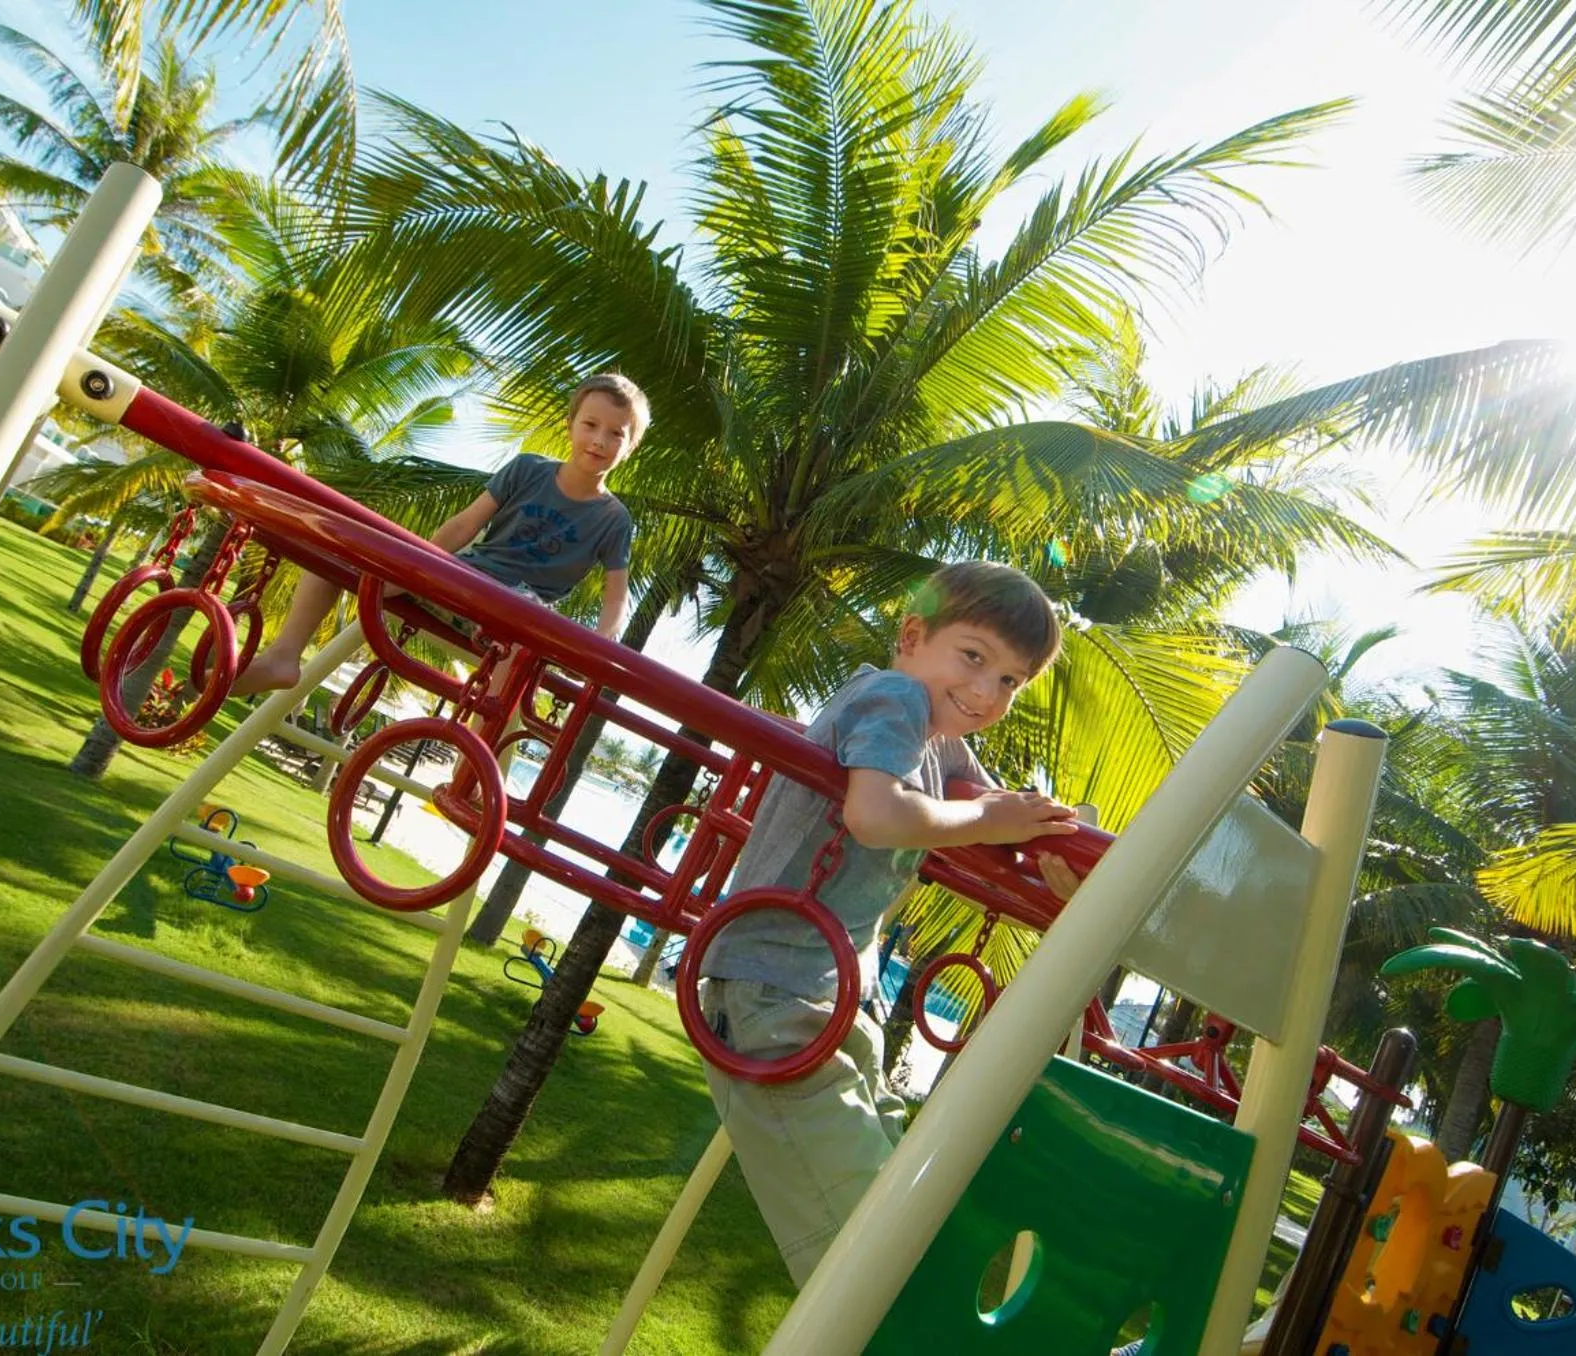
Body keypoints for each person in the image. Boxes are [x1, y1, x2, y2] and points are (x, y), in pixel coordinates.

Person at [696, 560, 1083, 1287]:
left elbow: (1007, 812)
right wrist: (986, 819)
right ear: (912, 637)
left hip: (831, 998)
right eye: (973, 657)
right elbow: (874, 815)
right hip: (776, 992)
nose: (984, 691)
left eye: (1010, 681)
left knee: (894, 1224)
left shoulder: (937, 739)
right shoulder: (896, 695)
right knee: (871, 1259)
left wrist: (1058, 845)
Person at [232, 372, 648, 696]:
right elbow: (466, 524)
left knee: (519, 650)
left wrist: (601, 646)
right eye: (590, 424)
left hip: (519, 608)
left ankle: (472, 766)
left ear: (630, 447)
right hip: (463, 578)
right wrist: (419, 562)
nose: (599, 440)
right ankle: (284, 657)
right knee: (342, 552)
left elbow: (616, 595)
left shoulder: (614, 519)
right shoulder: (528, 469)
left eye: (616, 433)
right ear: (570, 424)